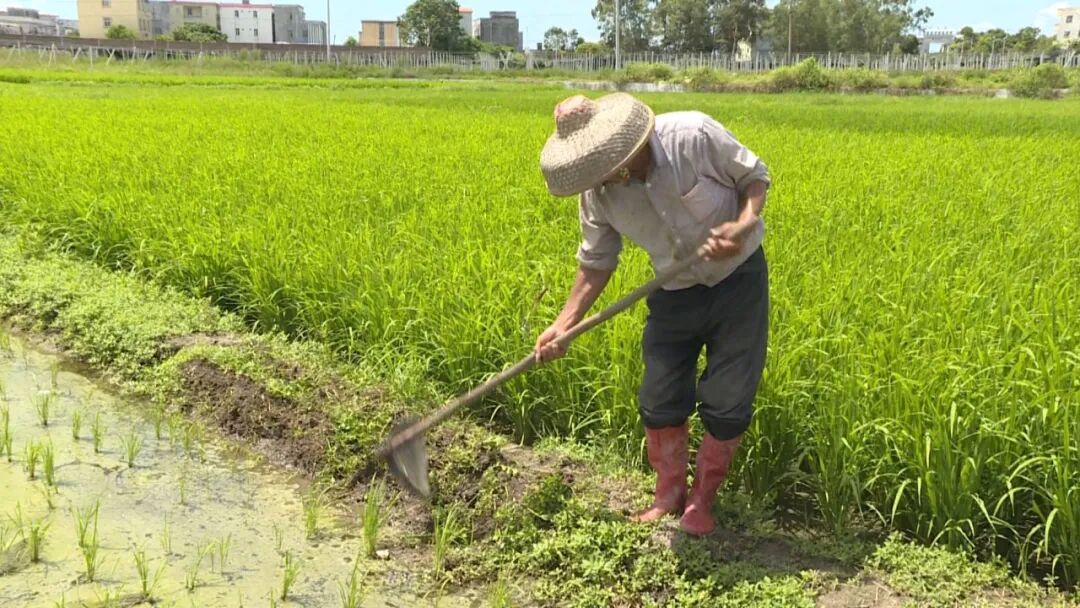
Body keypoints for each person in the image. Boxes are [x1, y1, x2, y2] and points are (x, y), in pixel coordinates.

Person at [534, 93, 770, 536]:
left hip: (738, 283)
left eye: (604, 165)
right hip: (674, 290)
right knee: (659, 395)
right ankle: (668, 496)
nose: (600, 177)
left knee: (728, 398)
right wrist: (563, 325)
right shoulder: (598, 193)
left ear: (622, 149)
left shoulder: (692, 136)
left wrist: (741, 226)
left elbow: (755, 178)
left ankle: (702, 500)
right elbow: (596, 261)